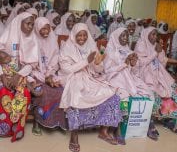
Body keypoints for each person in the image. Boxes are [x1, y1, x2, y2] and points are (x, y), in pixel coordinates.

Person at [58, 23, 122, 152]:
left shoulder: (91, 46)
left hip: (90, 76)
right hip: (72, 77)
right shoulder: (67, 48)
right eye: (79, 35)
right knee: (75, 95)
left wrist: (98, 63)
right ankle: (74, 135)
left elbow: (98, 69)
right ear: (73, 35)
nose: (82, 38)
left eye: (84, 35)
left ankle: (104, 131)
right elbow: (66, 69)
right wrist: (86, 61)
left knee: (111, 94)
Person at [0, 12, 39, 142]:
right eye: (28, 23)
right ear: (19, 23)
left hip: (20, 74)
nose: (30, 27)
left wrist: (18, 75)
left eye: (32, 24)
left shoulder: (33, 39)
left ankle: (16, 127)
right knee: (4, 91)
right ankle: (4, 128)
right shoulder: (7, 36)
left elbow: (31, 64)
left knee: (24, 93)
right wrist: (2, 76)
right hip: (3, 73)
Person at [134, 27, 177, 133]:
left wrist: (161, 50)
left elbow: (162, 62)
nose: (155, 37)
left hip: (158, 72)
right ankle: (149, 121)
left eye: (156, 35)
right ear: (146, 34)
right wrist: (155, 53)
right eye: (152, 34)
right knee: (152, 91)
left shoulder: (155, 45)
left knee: (172, 89)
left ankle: (168, 119)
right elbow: (141, 63)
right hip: (144, 74)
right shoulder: (141, 44)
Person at [31, 17, 67, 135]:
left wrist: (49, 73)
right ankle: (37, 121)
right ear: (36, 29)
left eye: (47, 29)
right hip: (35, 74)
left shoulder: (52, 40)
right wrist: (42, 75)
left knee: (60, 90)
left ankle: (56, 121)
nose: (45, 32)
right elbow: (30, 63)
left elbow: (55, 60)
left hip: (50, 73)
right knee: (42, 91)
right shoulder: (32, 41)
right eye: (42, 29)